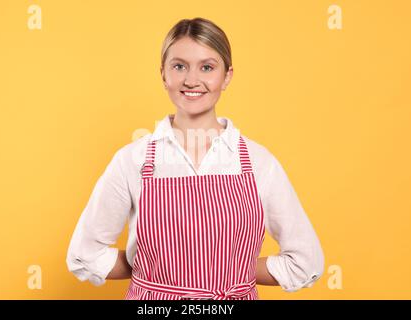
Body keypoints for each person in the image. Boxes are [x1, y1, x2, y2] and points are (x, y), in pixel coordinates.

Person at [66, 17, 324, 300]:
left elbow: (305, 261)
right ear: (163, 74)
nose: (191, 80)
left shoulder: (258, 162)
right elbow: (85, 254)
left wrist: (233, 274)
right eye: (179, 66)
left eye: (207, 67)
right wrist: (153, 269)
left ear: (226, 76)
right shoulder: (132, 161)